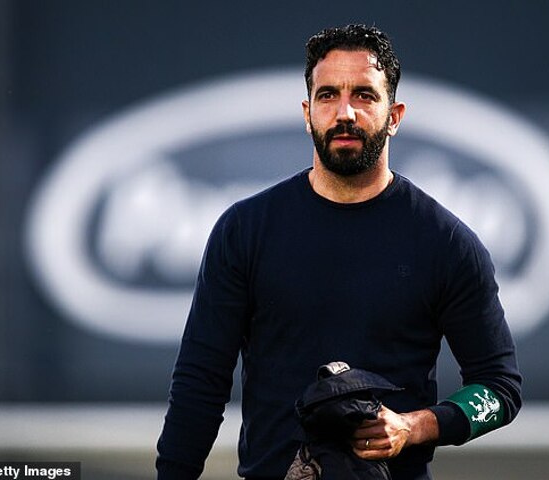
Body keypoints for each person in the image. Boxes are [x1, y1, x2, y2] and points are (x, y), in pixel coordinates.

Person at [156, 24, 522, 480]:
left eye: (364, 96)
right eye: (328, 95)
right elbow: (200, 383)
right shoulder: (246, 230)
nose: (344, 112)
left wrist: (414, 426)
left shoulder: (446, 242)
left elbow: (499, 388)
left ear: (395, 116)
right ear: (307, 113)